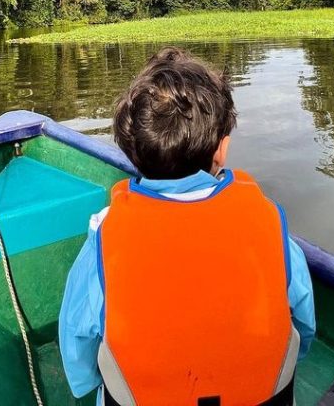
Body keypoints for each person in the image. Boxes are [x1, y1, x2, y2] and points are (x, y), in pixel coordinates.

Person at [59, 47, 316, 405]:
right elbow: (303, 326)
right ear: (221, 150)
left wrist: (88, 383)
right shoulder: (270, 226)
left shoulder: (105, 239)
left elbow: (76, 339)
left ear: (133, 152)